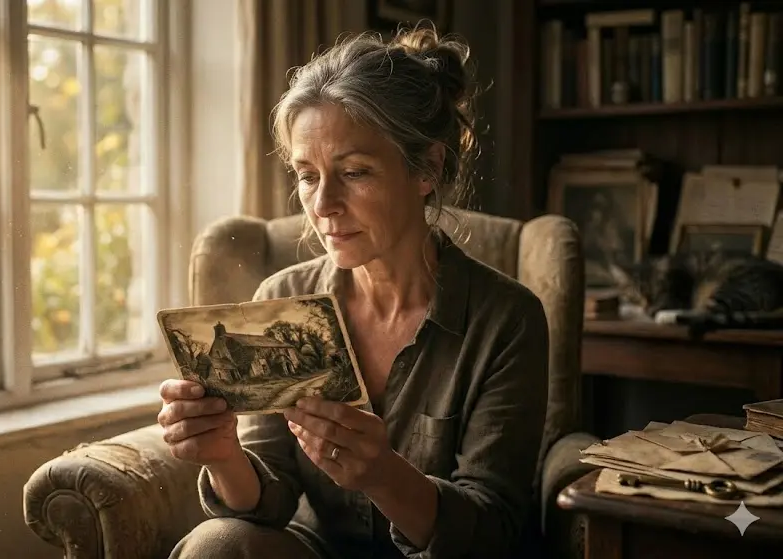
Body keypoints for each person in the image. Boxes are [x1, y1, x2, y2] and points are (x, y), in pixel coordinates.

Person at [157, 26, 549, 559]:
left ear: (427, 169)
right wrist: (224, 454)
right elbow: (267, 504)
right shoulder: (283, 301)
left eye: (354, 172)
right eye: (307, 176)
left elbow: (493, 530)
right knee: (218, 545)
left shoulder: (506, 320)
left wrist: (383, 475)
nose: (323, 205)